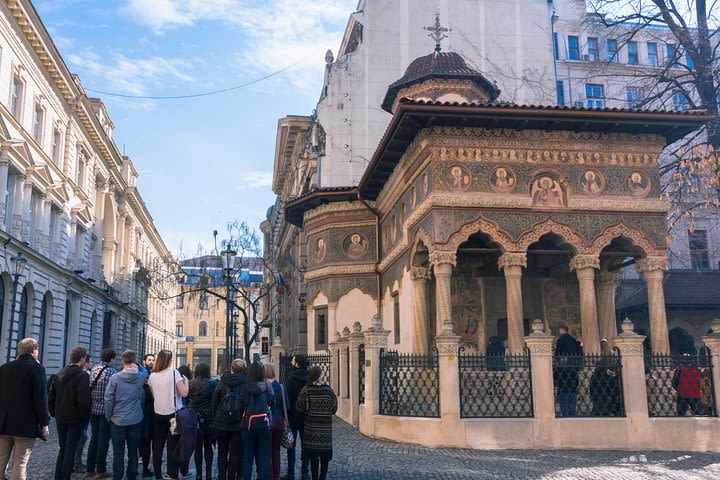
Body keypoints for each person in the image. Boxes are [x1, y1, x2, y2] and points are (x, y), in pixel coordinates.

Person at [0, 338, 50, 480]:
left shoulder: (4, 367)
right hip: (25, 426)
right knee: (20, 464)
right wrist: (44, 423)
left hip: (3, 424)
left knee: (0, 462)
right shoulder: (37, 369)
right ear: (34, 350)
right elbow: (40, 398)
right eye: (38, 349)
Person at [49, 347, 92, 480]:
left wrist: (54, 413)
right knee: (70, 449)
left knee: (63, 448)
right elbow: (83, 400)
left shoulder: (60, 372)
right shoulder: (82, 375)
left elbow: (51, 396)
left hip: (61, 417)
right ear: (82, 359)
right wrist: (85, 417)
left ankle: (58, 476)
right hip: (75, 418)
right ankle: (65, 477)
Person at [105, 350, 148, 480]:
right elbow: (146, 372)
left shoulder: (115, 377)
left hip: (118, 420)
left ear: (122, 362)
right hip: (135, 419)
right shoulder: (140, 376)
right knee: (133, 452)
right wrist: (139, 366)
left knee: (118, 453)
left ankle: (117, 477)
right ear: (134, 362)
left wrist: (108, 416)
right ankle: (131, 476)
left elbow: (108, 399)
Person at [148, 350, 188, 480]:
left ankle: (158, 474)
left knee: (157, 447)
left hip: (158, 414)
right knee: (172, 447)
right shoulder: (174, 373)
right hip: (173, 416)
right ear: (168, 360)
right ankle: (172, 474)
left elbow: (154, 395)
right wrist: (186, 383)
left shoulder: (152, 376)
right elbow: (184, 393)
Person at [296, 366, 337, 480]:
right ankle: (322, 477)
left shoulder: (306, 390)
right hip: (325, 430)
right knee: (324, 456)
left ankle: (314, 477)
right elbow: (334, 409)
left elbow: (299, 407)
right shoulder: (328, 390)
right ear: (320, 375)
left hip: (311, 429)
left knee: (313, 456)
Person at [86, 348, 118, 479]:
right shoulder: (112, 372)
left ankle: (89, 469)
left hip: (93, 410)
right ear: (111, 359)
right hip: (105, 411)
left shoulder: (93, 369)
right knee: (103, 441)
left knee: (94, 438)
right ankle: (101, 469)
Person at [212, 359, 246, 480]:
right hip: (238, 424)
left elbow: (214, 403)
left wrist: (213, 421)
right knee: (235, 454)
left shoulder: (222, 382)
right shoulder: (244, 383)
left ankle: (222, 476)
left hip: (221, 423)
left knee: (222, 452)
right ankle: (232, 476)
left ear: (231, 368)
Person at [240, 362, 274, 480]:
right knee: (263, 458)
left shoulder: (245, 386)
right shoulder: (267, 385)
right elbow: (270, 400)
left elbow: (242, 403)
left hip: (248, 425)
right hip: (265, 424)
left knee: (248, 458)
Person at [187, 363, 217, 480]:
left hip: (194, 418)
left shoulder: (190, 383)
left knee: (197, 448)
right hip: (208, 417)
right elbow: (215, 400)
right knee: (209, 447)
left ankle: (199, 474)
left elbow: (187, 399)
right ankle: (208, 474)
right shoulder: (213, 383)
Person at [282, 355, 309, 480]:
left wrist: (285, 415)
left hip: (293, 415)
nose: (291, 362)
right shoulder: (310, 378)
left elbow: (286, 399)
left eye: (293, 361)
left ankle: (291, 472)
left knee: (290, 444)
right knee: (306, 445)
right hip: (306, 415)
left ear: (297, 364)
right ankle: (305, 471)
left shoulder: (291, 378)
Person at [264, 363, 287, 480]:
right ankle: (276, 475)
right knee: (276, 451)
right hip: (278, 420)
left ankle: (268, 476)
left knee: (267, 451)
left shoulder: (262, 386)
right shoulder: (280, 387)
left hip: (266, 421)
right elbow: (286, 406)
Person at [553, 326, 582, 417]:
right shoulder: (573, 340)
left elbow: (557, 353)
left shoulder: (561, 340)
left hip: (562, 388)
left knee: (564, 404)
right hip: (572, 384)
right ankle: (572, 416)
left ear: (561, 330)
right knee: (572, 404)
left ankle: (566, 416)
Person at [74, 355, 93, 474]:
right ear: (84, 362)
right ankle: (76, 463)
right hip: (81, 412)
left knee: (81, 437)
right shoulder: (83, 375)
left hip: (85, 412)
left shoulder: (90, 373)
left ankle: (76, 462)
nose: (91, 363)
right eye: (90, 361)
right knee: (82, 437)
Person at [139, 354, 156, 478]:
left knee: (144, 443)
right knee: (143, 443)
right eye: (149, 360)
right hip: (142, 415)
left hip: (148, 417)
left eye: (152, 360)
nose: (151, 362)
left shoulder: (154, 376)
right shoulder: (143, 378)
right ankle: (142, 468)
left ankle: (143, 467)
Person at [175, 365, 192, 479]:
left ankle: (174, 470)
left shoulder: (175, 382)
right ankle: (184, 471)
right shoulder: (187, 382)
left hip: (177, 414)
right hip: (187, 416)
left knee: (175, 443)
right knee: (185, 444)